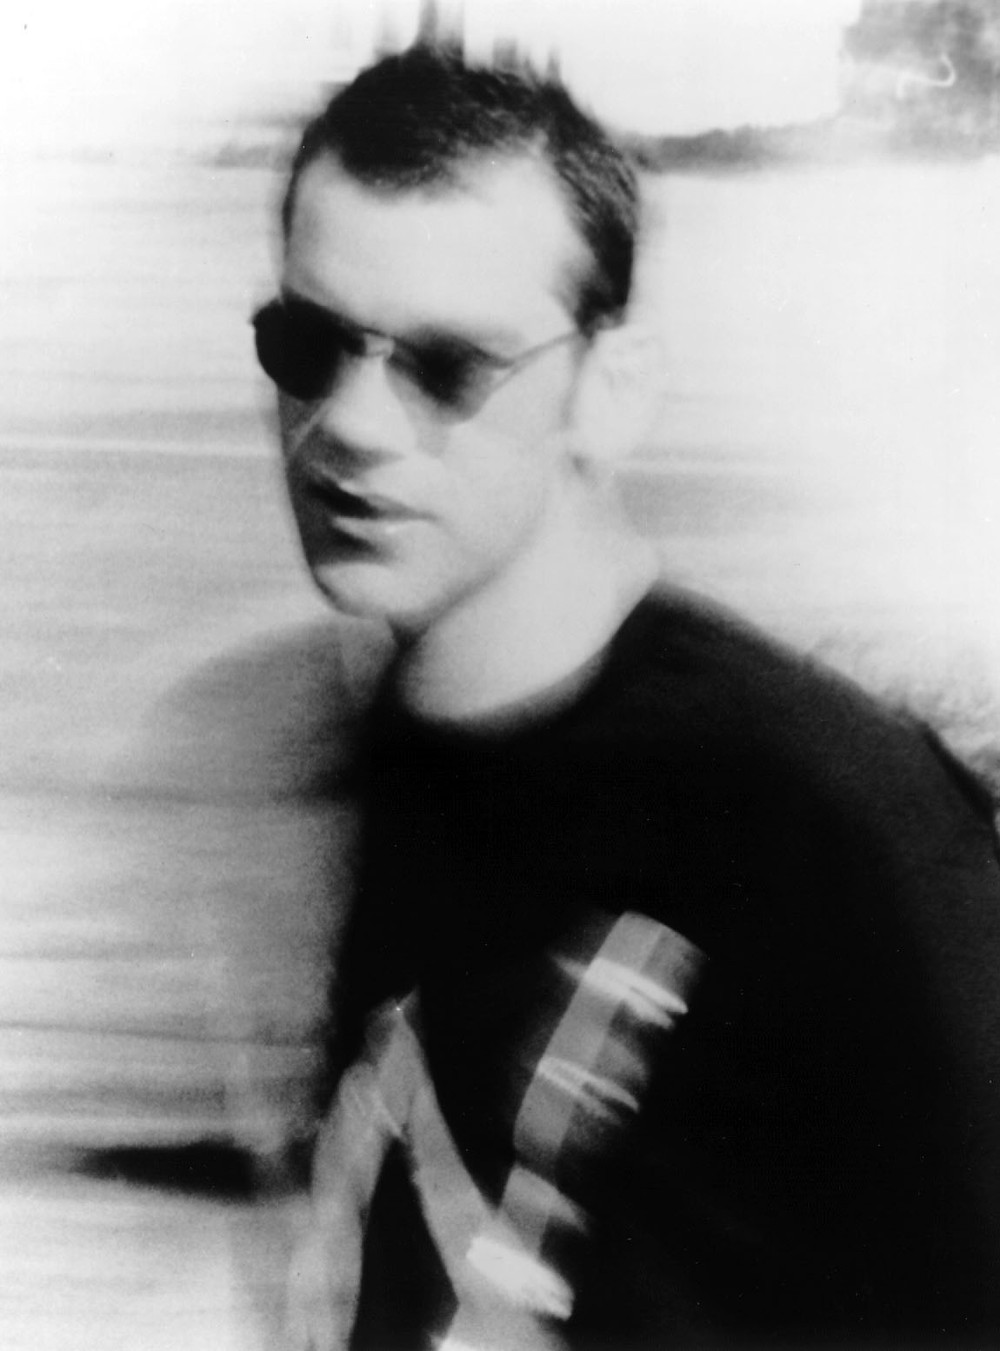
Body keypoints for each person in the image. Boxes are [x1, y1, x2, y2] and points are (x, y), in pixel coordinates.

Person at [251, 42, 1000, 1351]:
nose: (352, 424)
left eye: (447, 366)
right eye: (308, 346)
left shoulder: (823, 823)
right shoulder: (359, 757)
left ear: (610, 393)